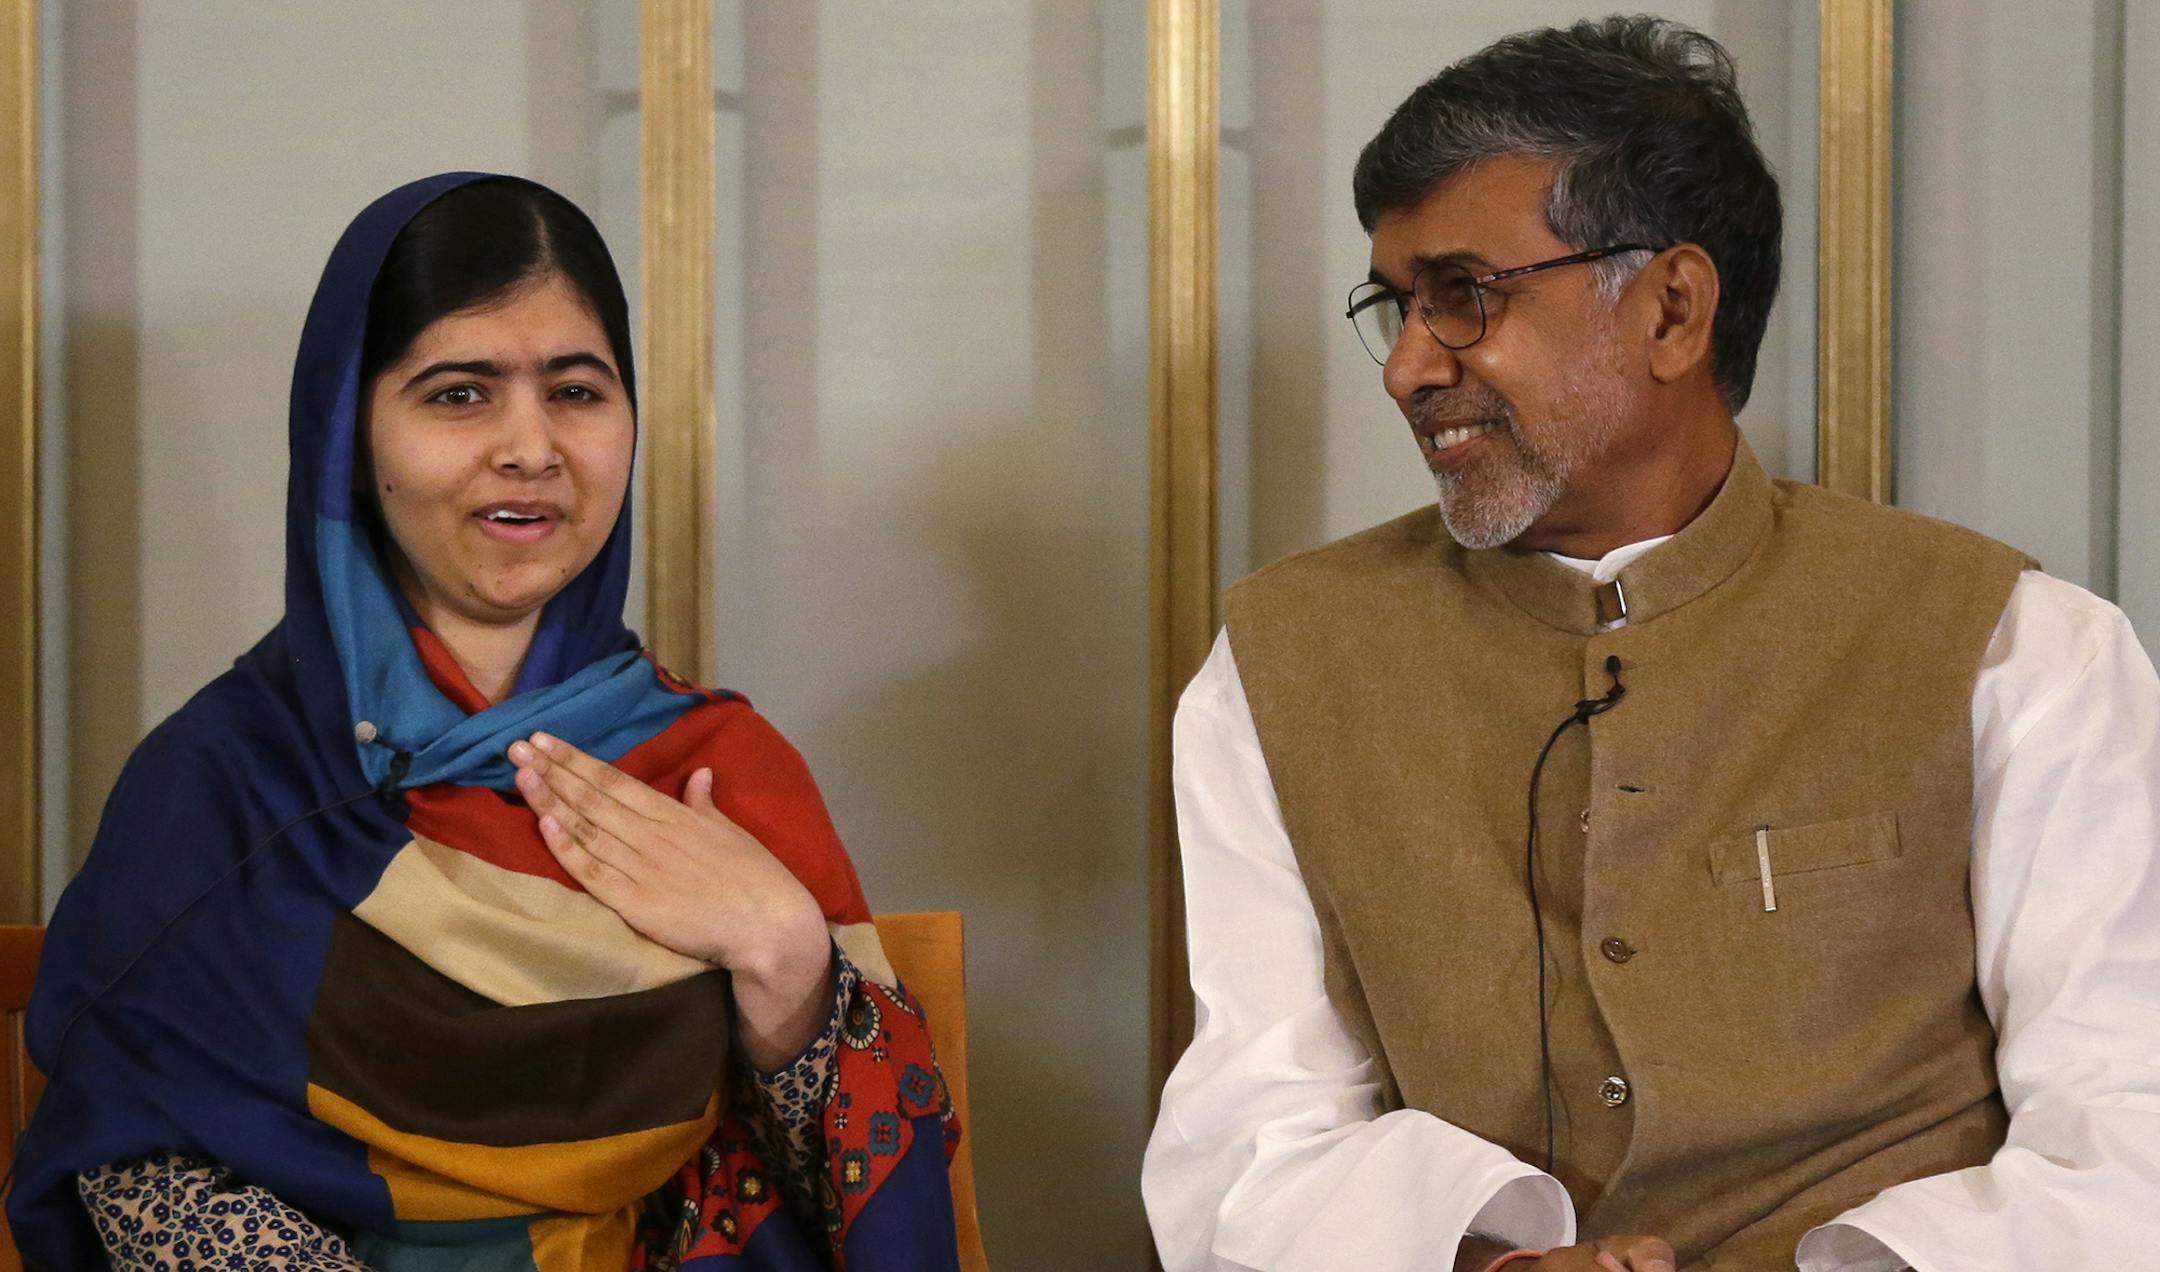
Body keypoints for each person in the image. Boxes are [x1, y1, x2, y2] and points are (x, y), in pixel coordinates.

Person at [1142, 17, 2160, 1272]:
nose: (1408, 367)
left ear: (1673, 309)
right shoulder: (1281, 666)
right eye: (1395, 305)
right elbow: (1253, 1131)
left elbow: (2128, 1128)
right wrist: (1484, 1260)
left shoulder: (2015, 649)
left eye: (1464, 296)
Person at [8, 174, 962, 1271]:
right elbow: (136, 1165)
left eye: (578, 392)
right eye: (460, 394)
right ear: (349, 442)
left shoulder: (716, 770)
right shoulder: (224, 782)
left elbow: (863, 1206)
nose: (530, 448)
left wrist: (786, 961)